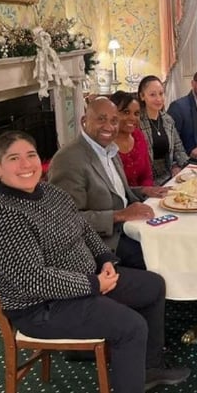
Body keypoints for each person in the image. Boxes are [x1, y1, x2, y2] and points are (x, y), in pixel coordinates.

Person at [0, 131, 190, 393]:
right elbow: (33, 280)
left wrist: (105, 259)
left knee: (152, 286)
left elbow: (83, 227)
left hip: (85, 283)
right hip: (41, 308)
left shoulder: (49, 192)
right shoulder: (1, 217)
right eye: (14, 159)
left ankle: (149, 368)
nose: (25, 165)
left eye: (30, 156)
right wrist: (93, 284)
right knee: (131, 326)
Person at [49, 98, 164, 270]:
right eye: (101, 119)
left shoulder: (109, 149)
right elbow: (65, 220)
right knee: (161, 255)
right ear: (84, 121)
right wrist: (120, 215)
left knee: (175, 236)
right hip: (105, 242)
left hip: (129, 226)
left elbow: (115, 193)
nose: (109, 127)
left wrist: (145, 190)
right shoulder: (68, 159)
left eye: (114, 121)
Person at [136, 76, 190, 185]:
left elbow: (178, 148)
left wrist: (180, 167)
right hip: (147, 181)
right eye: (152, 95)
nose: (159, 99)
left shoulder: (167, 119)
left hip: (170, 176)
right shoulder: (137, 122)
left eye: (161, 94)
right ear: (142, 96)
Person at [110, 91, 154, 188]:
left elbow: (147, 175)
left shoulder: (138, 135)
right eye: (126, 112)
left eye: (136, 113)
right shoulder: (106, 144)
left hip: (143, 197)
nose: (132, 118)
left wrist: (147, 196)